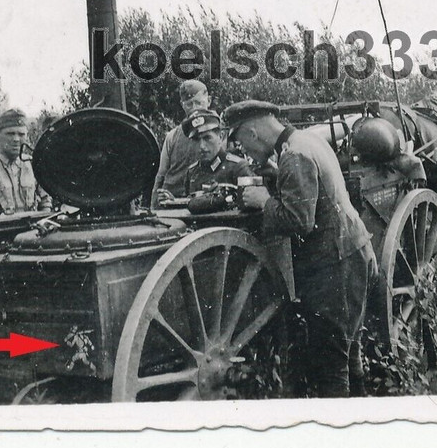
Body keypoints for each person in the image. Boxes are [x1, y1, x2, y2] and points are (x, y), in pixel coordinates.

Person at [222, 99, 377, 398]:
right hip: (349, 253)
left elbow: (299, 220)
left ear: (252, 133)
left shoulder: (294, 157)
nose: (244, 152)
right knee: (347, 351)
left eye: (241, 142)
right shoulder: (305, 141)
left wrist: (263, 202)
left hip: (334, 266)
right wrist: (276, 173)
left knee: (332, 363)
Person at [150, 79, 211, 208]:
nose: (195, 109)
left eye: (199, 103)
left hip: (203, 202)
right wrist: (154, 207)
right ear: (182, 105)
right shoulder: (173, 136)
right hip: (171, 202)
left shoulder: (220, 133)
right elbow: (161, 175)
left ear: (208, 101)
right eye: (189, 104)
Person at [181, 109, 254, 196]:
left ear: (221, 136)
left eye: (207, 138)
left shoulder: (238, 168)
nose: (202, 146)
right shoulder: (192, 173)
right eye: (196, 140)